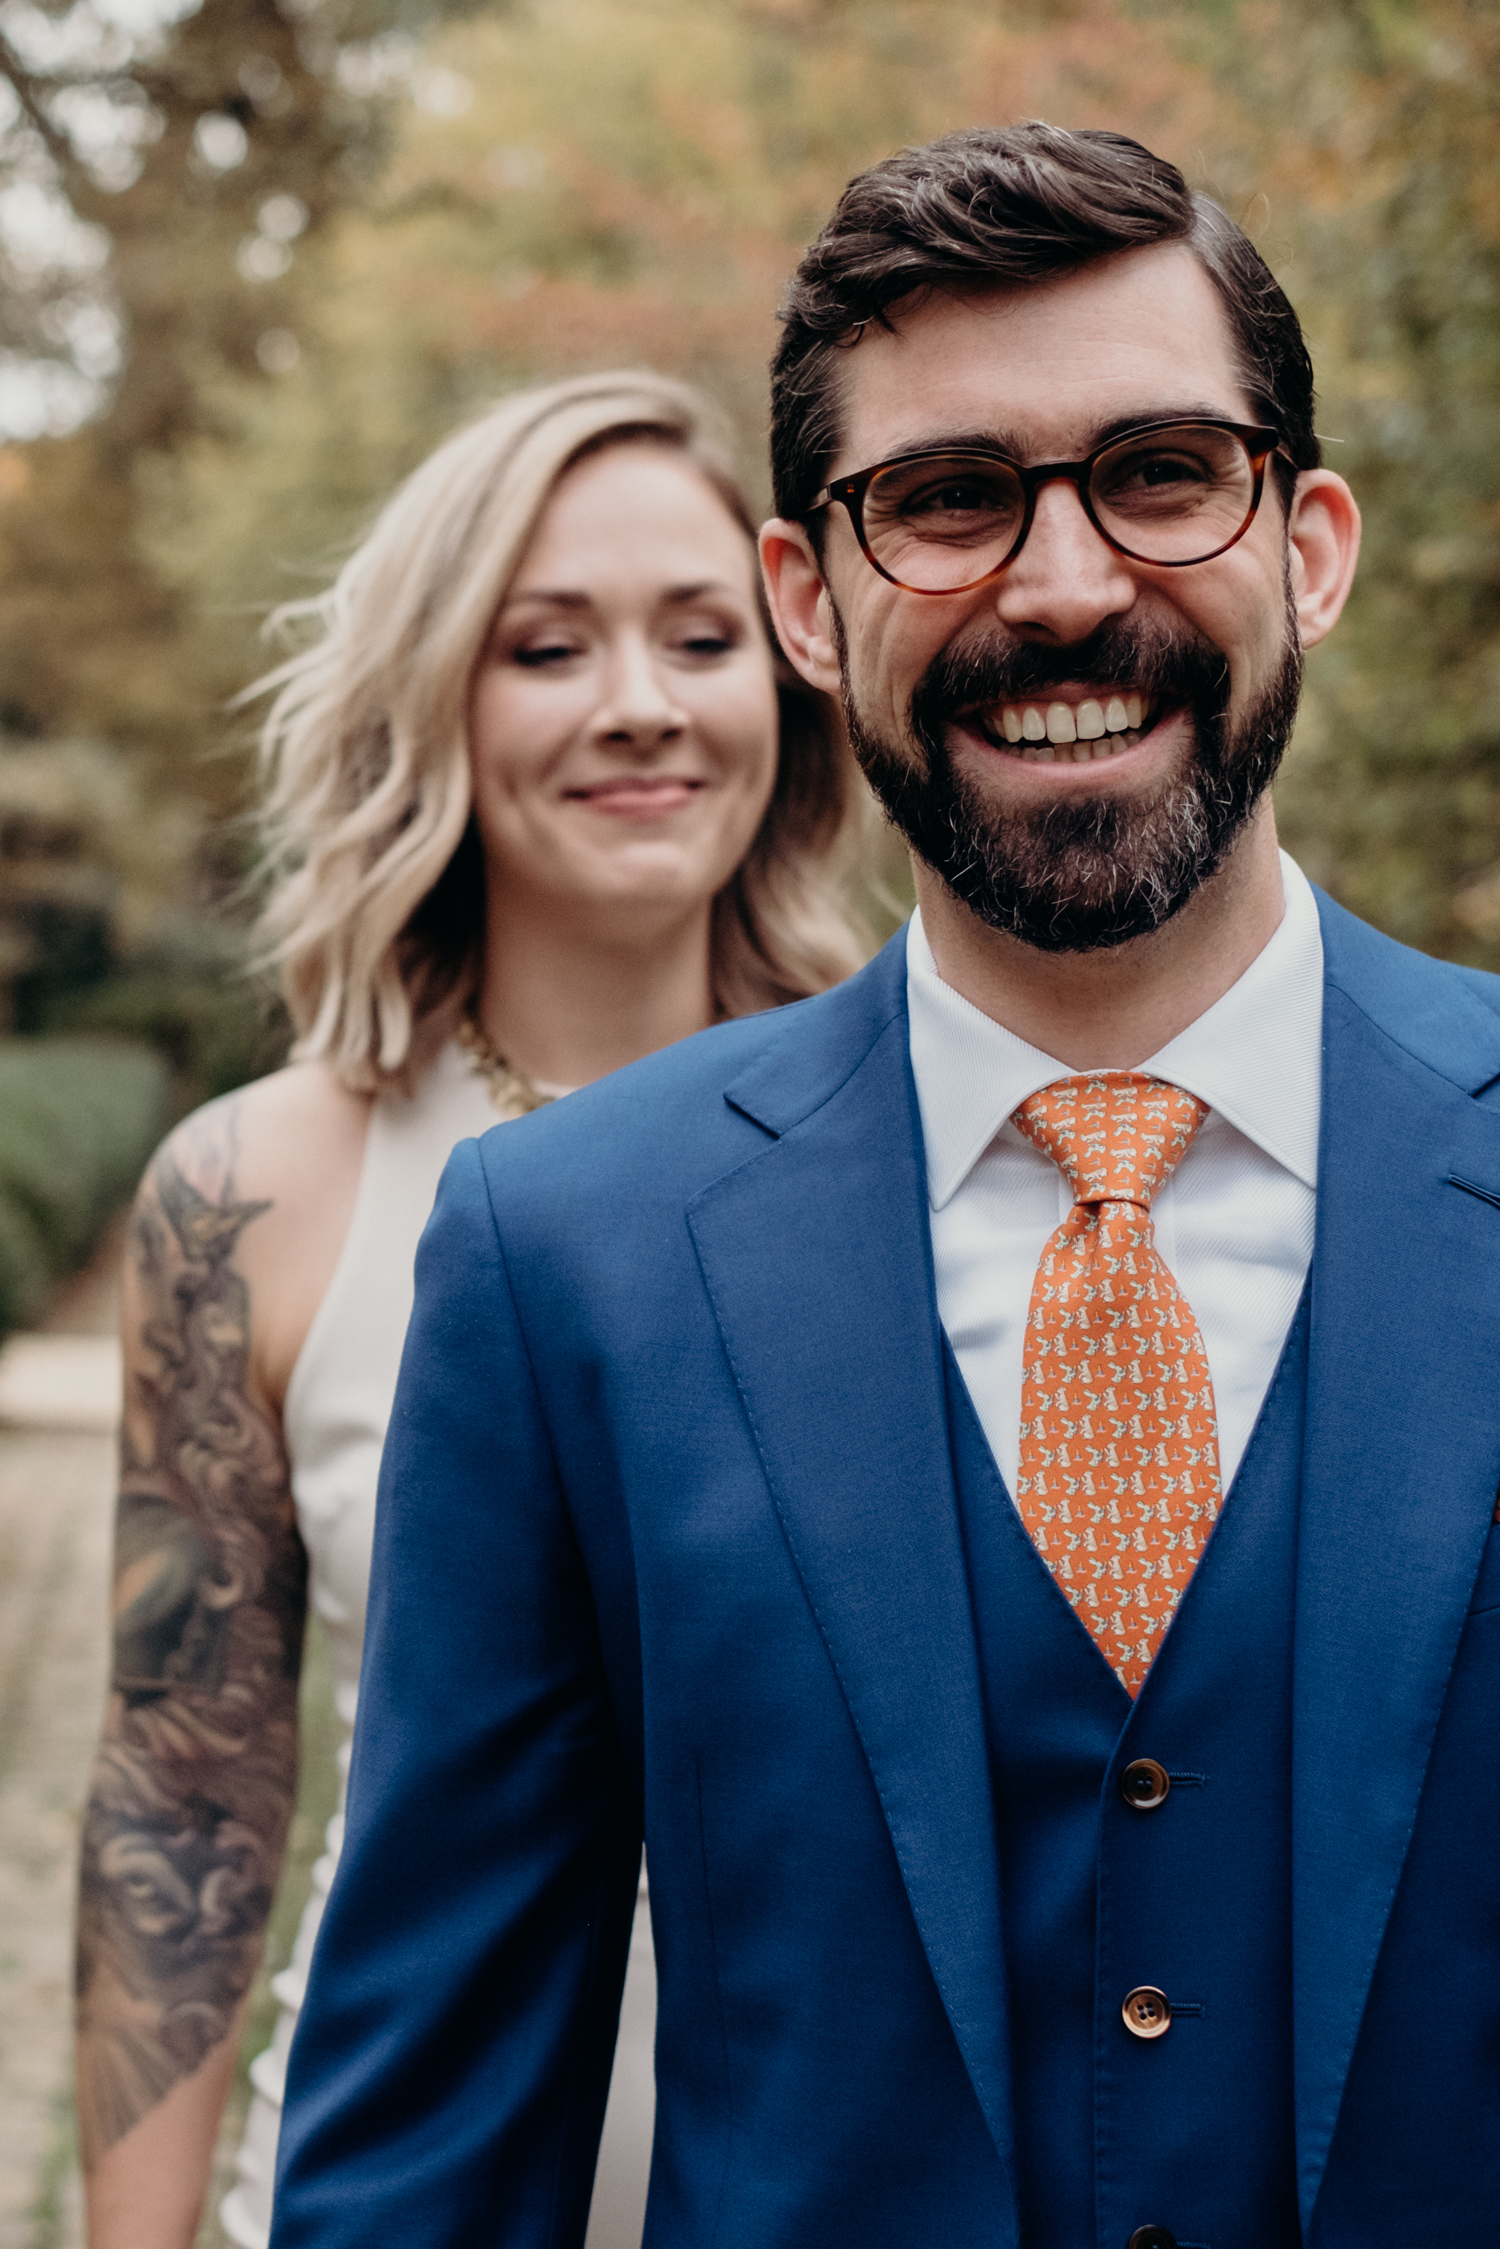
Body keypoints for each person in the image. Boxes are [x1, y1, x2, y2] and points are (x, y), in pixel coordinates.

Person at [268, 121, 1500, 2249]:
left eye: (1160, 471)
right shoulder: (568, 1254)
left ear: (1307, 546)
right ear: (808, 605)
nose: (1062, 584)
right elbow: (429, 2142)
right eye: (945, 501)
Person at [73, 368, 874, 2249]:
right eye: (546, 644)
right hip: (385, 2187)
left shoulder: (929, 1136)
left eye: (702, 635)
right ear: (439, 688)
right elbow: (181, 1802)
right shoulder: (253, 1194)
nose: (642, 705)